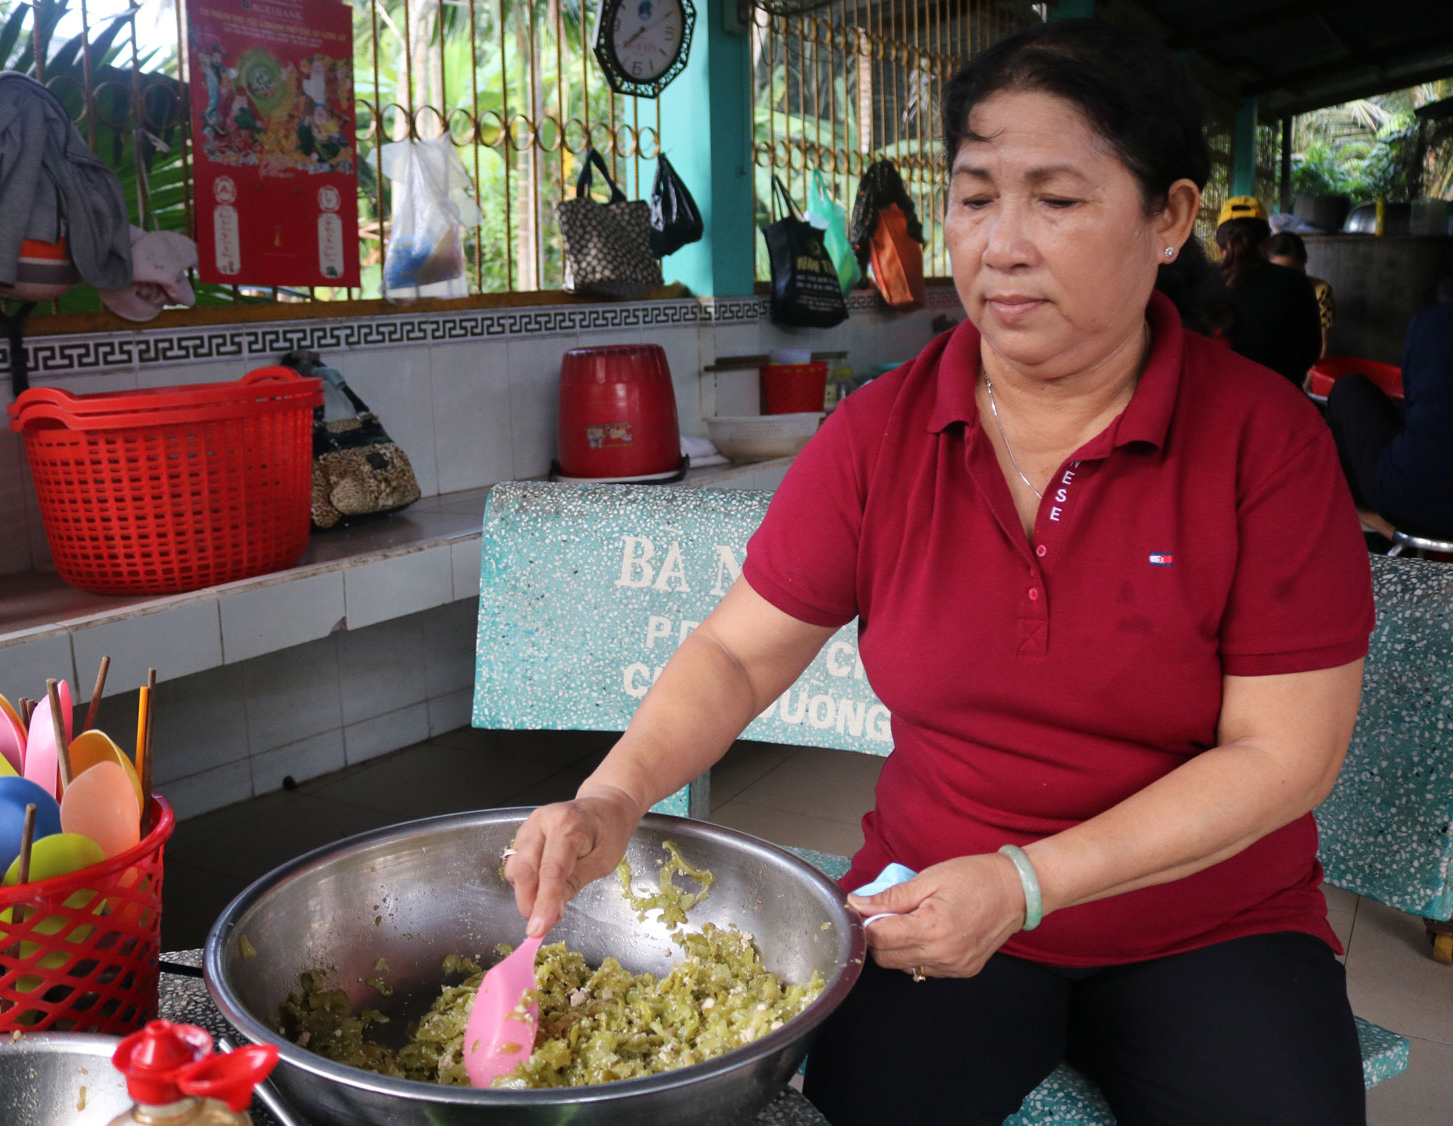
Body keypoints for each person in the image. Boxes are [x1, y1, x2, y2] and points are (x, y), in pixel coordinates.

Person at [505, 20, 1373, 1126]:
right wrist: (612, 794)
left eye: (1055, 200)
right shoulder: (881, 432)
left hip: (1207, 920)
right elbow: (736, 649)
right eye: (971, 197)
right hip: (931, 905)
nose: (999, 245)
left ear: (1169, 218)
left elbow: (1283, 755)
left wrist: (1024, 884)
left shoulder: (1263, 442)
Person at [1327, 293, 1453, 540]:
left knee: (1348, 389)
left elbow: (1413, 398)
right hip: (1416, 495)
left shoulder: (1430, 322)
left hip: (1409, 500)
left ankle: (1365, 514)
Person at [1215, 196, 1323, 387]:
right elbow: (1312, 351)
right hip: (1281, 397)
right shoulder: (1296, 284)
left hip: (1216, 400)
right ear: (1267, 242)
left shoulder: (1201, 283)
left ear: (1220, 247)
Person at [1269, 230, 1336, 359]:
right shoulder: (1264, 291)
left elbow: (1322, 349)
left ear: (1304, 262)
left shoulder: (1320, 292)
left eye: (1294, 272)